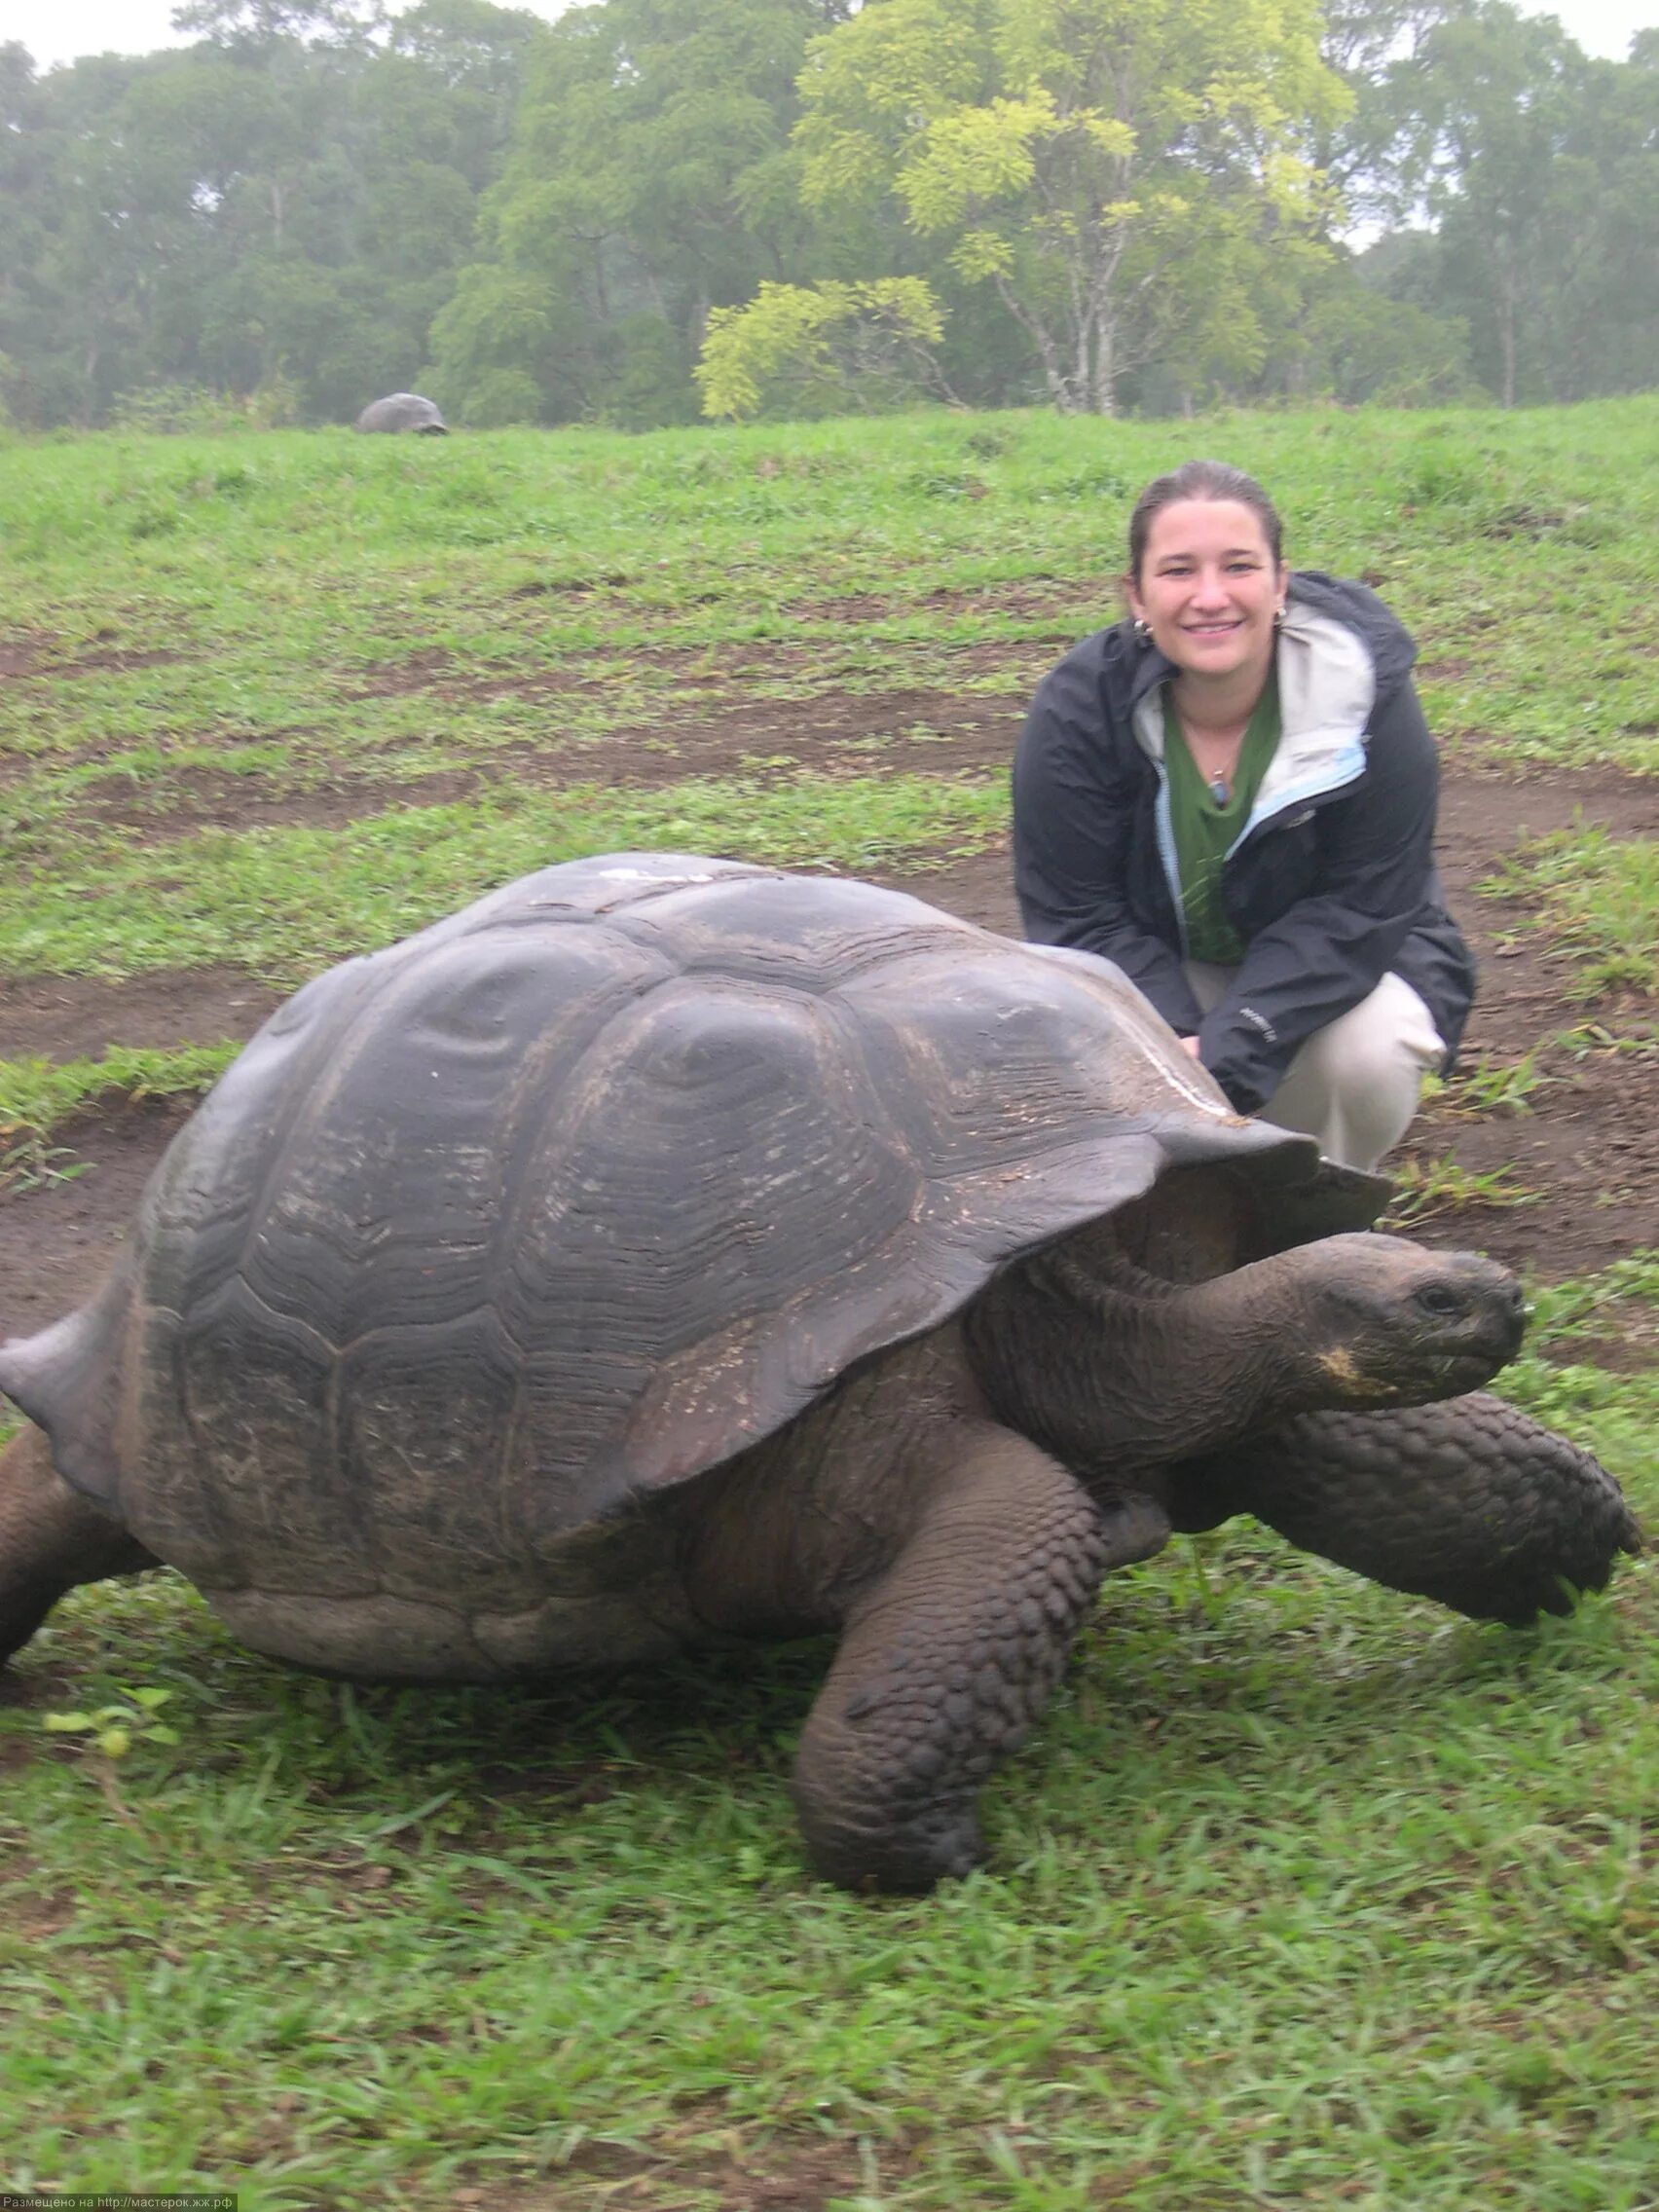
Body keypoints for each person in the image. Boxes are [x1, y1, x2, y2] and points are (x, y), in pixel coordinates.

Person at [1012, 459, 1475, 1174]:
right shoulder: (1078, 712)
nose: (1209, 597)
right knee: (1059, 1047)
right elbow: (1077, 915)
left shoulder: (1365, 693)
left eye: (1238, 566)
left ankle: (1325, 1217)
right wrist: (1178, 1039)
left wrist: (1235, 1044)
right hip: (1164, 967)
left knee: (1365, 1057)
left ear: (1280, 583)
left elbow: (1365, 902)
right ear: (1134, 594)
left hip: (1348, 961)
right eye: (1176, 571)